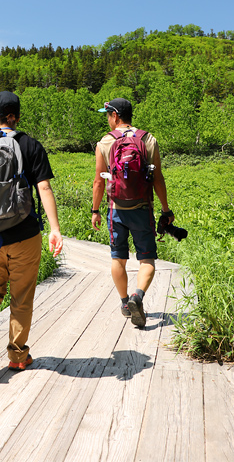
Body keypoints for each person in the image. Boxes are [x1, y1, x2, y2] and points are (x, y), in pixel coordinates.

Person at [0, 90, 64, 371]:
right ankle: (17, 356)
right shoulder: (30, 145)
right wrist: (54, 229)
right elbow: (43, 187)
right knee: (22, 295)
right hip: (24, 234)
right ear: (16, 116)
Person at [90, 98, 172, 328]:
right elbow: (157, 178)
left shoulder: (105, 143)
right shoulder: (148, 139)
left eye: (108, 115)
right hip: (142, 209)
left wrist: (95, 210)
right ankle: (138, 296)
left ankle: (125, 303)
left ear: (115, 116)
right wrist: (166, 210)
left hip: (116, 210)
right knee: (147, 259)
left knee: (119, 257)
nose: (107, 120)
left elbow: (98, 182)